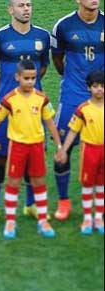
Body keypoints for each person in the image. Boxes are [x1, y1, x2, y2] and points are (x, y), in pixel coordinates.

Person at [0, 60, 62, 239]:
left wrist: (59, 146)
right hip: (17, 147)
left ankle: (43, 220)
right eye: (26, 78)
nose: (30, 82)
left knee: (38, 181)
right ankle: (10, 221)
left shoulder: (42, 99)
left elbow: (50, 123)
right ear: (17, 77)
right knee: (13, 182)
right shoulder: (9, 99)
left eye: (33, 78)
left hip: (36, 145)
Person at [0, 0, 52, 223]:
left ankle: (30, 205)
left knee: (35, 157)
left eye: (29, 5)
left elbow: (42, 68)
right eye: (21, 5)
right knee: (0, 158)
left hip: (33, 108)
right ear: (10, 10)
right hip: (7, 107)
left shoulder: (42, 36)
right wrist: (6, 91)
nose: (26, 9)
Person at [52, 0, 104, 221]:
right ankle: (63, 201)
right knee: (64, 148)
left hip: (101, 98)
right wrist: (72, 79)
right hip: (73, 95)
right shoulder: (64, 26)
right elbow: (57, 60)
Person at [55, 70, 104, 235]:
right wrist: (64, 150)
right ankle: (87, 219)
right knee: (88, 185)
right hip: (89, 151)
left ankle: (98, 217)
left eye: (102, 86)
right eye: (96, 86)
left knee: (101, 186)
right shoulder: (83, 109)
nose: (99, 90)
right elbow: (73, 131)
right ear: (89, 88)